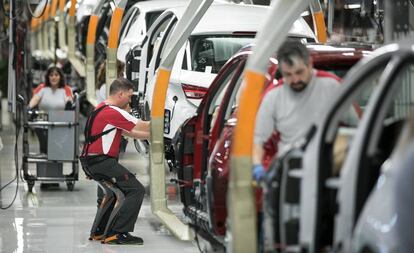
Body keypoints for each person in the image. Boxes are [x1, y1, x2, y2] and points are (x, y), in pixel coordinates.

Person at [252, 40, 349, 181]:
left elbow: (355, 127)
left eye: (299, 72)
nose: (295, 79)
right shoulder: (273, 96)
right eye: (288, 74)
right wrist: (257, 166)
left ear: (309, 64)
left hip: (329, 170)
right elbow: (258, 140)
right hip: (290, 171)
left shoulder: (331, 86)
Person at [81, 77, 150, 245]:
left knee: (112, 193)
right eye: (129, 96)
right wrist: (163, 119)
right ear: (120, 93)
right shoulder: (114, 111)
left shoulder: (101, 108)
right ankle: (118, 233)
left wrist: (155, 136)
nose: (130, 100)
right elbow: (143, 126)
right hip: (101, 161)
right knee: (136, 189)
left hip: (90, 162)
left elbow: (132, 132)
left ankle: (99, 232)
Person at [28, 66, 73, 153]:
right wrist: (29, 107)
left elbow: (69, 100)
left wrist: (69, 103)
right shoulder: (42, 88)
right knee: (45, 148)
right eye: (51, 75)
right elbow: (35, 99)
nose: (54, 77)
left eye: (56, 75)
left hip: (59, 124)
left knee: (56, 151)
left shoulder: (66, 89)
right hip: (42, 123)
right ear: (48, 77)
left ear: (60, 77)